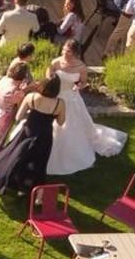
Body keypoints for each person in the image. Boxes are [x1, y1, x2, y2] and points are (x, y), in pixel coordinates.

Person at [46, 39, 127, 175]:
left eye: (69, 52)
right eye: (64, 50)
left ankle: (71, 150)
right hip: (56, 94)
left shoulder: (81, 67)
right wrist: (50, 79)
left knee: (71, 123)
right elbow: (48, 72)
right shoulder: (56, 61)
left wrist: (77, 86)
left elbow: (83, 82)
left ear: (75, 53)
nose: (65, 53)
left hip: (71, 98)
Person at [0, 74, 67, 195]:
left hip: (28, 133)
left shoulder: (31, 97)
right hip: (44, 136)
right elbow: (61, 122)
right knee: (39, 163)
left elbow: (18, 117)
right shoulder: (60, 103)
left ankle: (6, 178)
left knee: (16, 156)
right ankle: (34, 191)